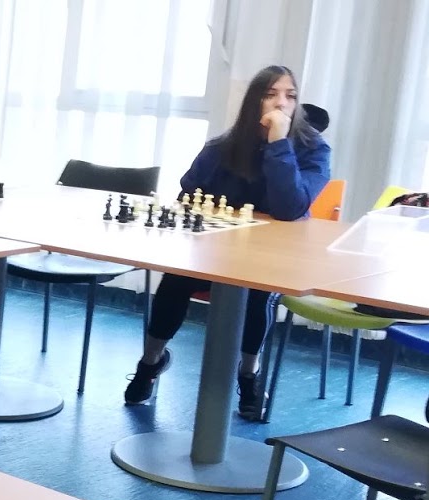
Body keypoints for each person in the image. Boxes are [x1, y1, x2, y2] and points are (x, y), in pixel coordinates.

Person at [122, 65, 331, 419]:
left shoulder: (313, 150)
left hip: (271, 258)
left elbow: (290, 208)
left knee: (257, 295)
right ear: (254, 101)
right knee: (174, 281)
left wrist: (278, 143)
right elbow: (189, 196)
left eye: (291, 96)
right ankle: (150, 361)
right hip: (214, 253)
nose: (282, 103)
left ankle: (249, 373)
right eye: (271, 94)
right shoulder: (222, 146)